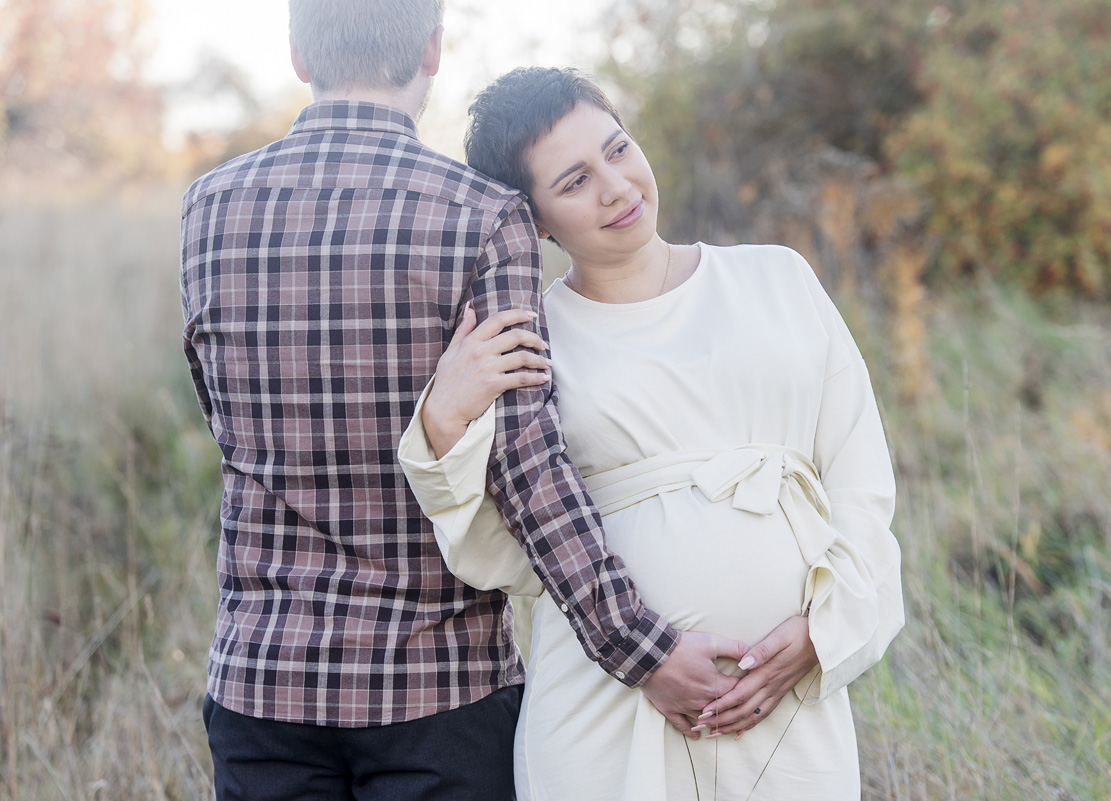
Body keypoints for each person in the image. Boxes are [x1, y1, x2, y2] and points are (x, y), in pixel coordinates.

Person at [179, 4, 744, 799]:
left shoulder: (209, 206)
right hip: (436, 691)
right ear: (434, 51)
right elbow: (525, 463)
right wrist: (640, 649)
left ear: (299, 57)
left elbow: (225, 422)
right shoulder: (481, 215)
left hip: (262, 678)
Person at [397, 67, 905, 800]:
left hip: (786, 696)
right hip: (611, 706)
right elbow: (509, 554)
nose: (617, 187)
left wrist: (822, 635)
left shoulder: (778, 281)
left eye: (617, 148)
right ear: (532, 219)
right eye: (573, 181)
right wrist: (445, 422)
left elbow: (863, 485)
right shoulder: (533, 342)